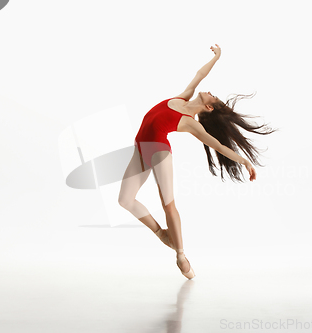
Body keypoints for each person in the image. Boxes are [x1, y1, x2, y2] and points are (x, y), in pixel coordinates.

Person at [118, 44, 277, 279]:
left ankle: (181, 255)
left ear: (209, 106)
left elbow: (218, 146)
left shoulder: (190, 122)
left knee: (168, 205)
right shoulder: (183, 97)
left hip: (159, 152)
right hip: (140, 149)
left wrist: (243, 161)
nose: (210, 91)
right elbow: (200, 74)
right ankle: (162, 235)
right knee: (125, 200)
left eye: (213, 96)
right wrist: (217, 57)